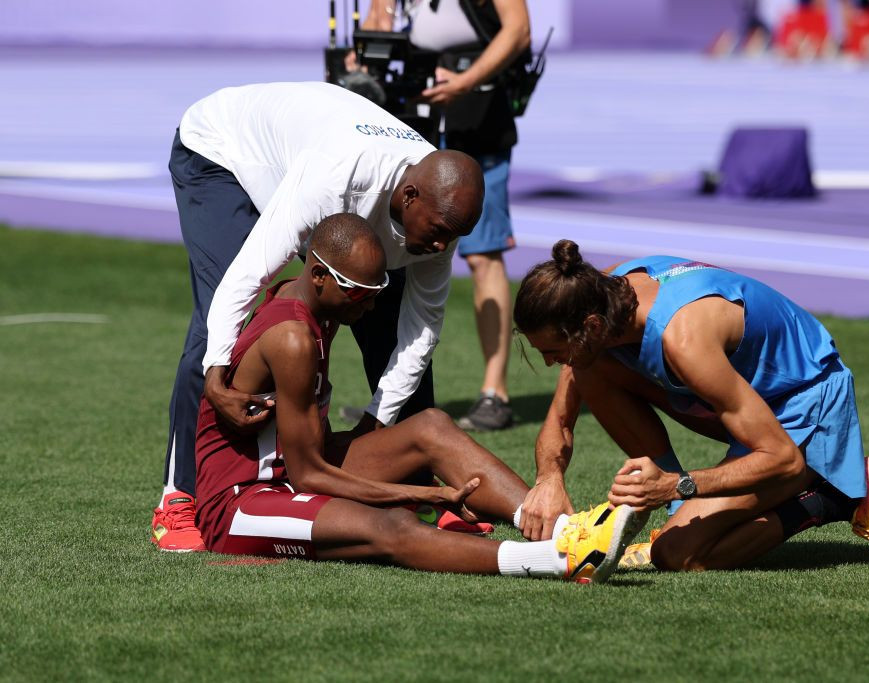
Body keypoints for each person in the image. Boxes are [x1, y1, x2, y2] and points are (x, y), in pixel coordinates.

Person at [194, 214, 645, 583]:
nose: (368, 307)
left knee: (430, 425)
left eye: (377, 293)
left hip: (292, 467)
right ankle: (560, 561)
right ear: (317, 276)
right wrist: (420, 492)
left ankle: (565, 529)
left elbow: (307, 459)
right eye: (359, 293)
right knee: (394, 527)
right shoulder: (291, 338)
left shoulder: (313, 305)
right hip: (243, 499)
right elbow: (309, 474)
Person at [152, 81, 485, 552]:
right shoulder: (337, 177)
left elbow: (421, 329)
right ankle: (178, 495)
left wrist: (378, 422)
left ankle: (416, 489)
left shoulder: (441, 206)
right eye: (439, 234)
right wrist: (214, 372)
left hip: (319, 168)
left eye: (455, 238)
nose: (442, 246)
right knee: (219, 324)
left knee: (385, 321)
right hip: (219, 153)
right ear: (409, 197)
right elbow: (244, 281)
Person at [513, 240, 869, 572]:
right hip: (748, 398)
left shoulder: (685, 341)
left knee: (677, 556)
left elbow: (781, 458)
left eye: (553, 350)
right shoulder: (599, 293)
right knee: (588, 370)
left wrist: (675, 485)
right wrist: (549, 477)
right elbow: (560, 418)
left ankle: (836, 496)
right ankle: (681, 509)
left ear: (593, 326)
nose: (550, 361)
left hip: (804, 410)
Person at [361, 0, 531, 431]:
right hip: (410, 110)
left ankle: (495, 392)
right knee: (388, 247)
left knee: (482, 252)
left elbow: (518, 31)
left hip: (476, 111)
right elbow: (376, 25)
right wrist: (364, 50)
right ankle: (387, 396)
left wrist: (465, 82)